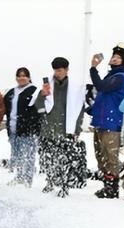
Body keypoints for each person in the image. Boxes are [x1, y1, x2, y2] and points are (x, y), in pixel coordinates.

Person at [34, 57, 87, 198]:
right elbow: (38, 105)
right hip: (48, 129)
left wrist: (77, 130)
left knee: (64, 160)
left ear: (67, 70)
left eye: (60, 70)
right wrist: (42, 95)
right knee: (48, 159)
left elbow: (79, 111)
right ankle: (50, 181)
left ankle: (64, 185)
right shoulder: (48, 86)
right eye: (56, 70)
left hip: (66, 130)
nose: (58, 73)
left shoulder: (76, 88)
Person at [89, 43, 124, 198]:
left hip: (112, 123)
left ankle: (112, 188)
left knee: (110, 156)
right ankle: (107, 185)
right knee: (100, 155)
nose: (114, 59)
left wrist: (93, 68)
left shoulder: (122, 77)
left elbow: (101, 86)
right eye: (113, 56)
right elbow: (104, 98)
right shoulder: (112, 77)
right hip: (102, 122)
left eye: (118, 57)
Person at [3, 68, 41, 187]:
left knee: (28, 156)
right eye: (19, 76)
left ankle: (27, 180)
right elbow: (5, 109)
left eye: (24, 76)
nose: (21, 78)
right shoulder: (11, 93)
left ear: (29, 77)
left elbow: (39, 111)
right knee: (17, 155)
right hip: (13, 129)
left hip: (28, 131)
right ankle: (19, 176)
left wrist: (34, 127)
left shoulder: (34, 91)